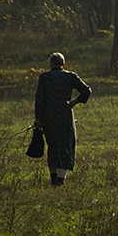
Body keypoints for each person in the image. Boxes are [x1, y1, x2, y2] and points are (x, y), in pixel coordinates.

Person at [34, 52, 91, 186]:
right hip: (65, 115)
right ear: (63, 64)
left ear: (50, 64)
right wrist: (73, 102)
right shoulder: (70, 76)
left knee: (52, 146)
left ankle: (53, 179)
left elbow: (39, 99)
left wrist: (38, 117)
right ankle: (61, 179)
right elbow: (86, 91)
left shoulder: (44, 78)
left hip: (49, 116)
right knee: (65, 146)